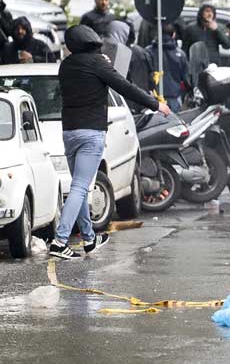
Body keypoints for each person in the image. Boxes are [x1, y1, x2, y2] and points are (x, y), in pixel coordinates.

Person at [49, 25, 169, 259]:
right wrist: (156, 105)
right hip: (91, 133)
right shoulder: (98, 63)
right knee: (81, 187)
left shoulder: (66, 65)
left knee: (79, 186)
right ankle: (60, 240)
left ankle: (89, 238)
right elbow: (125, 87)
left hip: (70, 132)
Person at [146, 24, 189, 113]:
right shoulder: (180, 54)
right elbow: (186, 78)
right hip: (173, 97)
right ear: (173, 34)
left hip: (153, 98)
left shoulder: (148, 52)